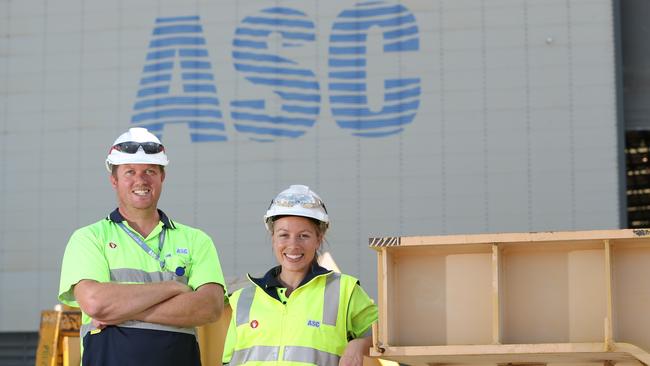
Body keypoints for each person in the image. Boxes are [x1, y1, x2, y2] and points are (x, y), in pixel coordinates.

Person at [58, 127, 226, 365]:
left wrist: (119, 312)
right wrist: (173, 288)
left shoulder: (196, 240)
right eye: (130, 172)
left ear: (162, 177)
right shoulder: (89, 238)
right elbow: (96, 303)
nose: (141, 180)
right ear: (114, 179)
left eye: (150, 171)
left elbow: (209, 307)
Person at [222, 184, 378, 366]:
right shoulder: (244, 298)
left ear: (318, 239)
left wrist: (359, 345)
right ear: (273, 238)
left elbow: (386, 333)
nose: (293, 245)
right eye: (283, 235)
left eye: (303, 236)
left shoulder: (343, 291)